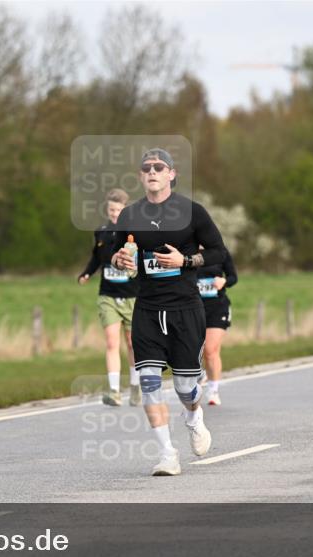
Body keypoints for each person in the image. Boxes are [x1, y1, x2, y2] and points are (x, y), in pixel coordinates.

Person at [110, 148, 225, 476]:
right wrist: (120, 260)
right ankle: (167, 454)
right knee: (148, 382)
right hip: (147, 308)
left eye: (159, 167)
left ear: (172, 174)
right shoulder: (131, 215)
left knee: (185, 387)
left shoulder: (192, 212)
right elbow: (120, 254)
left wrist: (185, 261)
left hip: (185, 310)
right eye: (146, 167)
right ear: (140, 176)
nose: (152, 171)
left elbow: (218, 252)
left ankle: (193, 416)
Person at [79, 188, 140, 407]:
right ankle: (114, 391)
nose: (114, 213)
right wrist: (87, 273)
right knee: (112, 342)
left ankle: (135, 388)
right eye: (111, 209)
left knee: (133, 344)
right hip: (108, 295)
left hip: (133, 296)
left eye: (118, 210)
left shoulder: (134, 232)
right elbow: (96, 258)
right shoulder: (102, 231)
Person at [198, 244, 237, 405]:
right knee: (195, 348)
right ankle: (201, 373)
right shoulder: (185, 249)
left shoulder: (220, 250)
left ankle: (213, 391)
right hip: (193, 307)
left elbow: (233, 277)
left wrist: (224, 281)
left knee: (210, 349)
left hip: (217, 307)